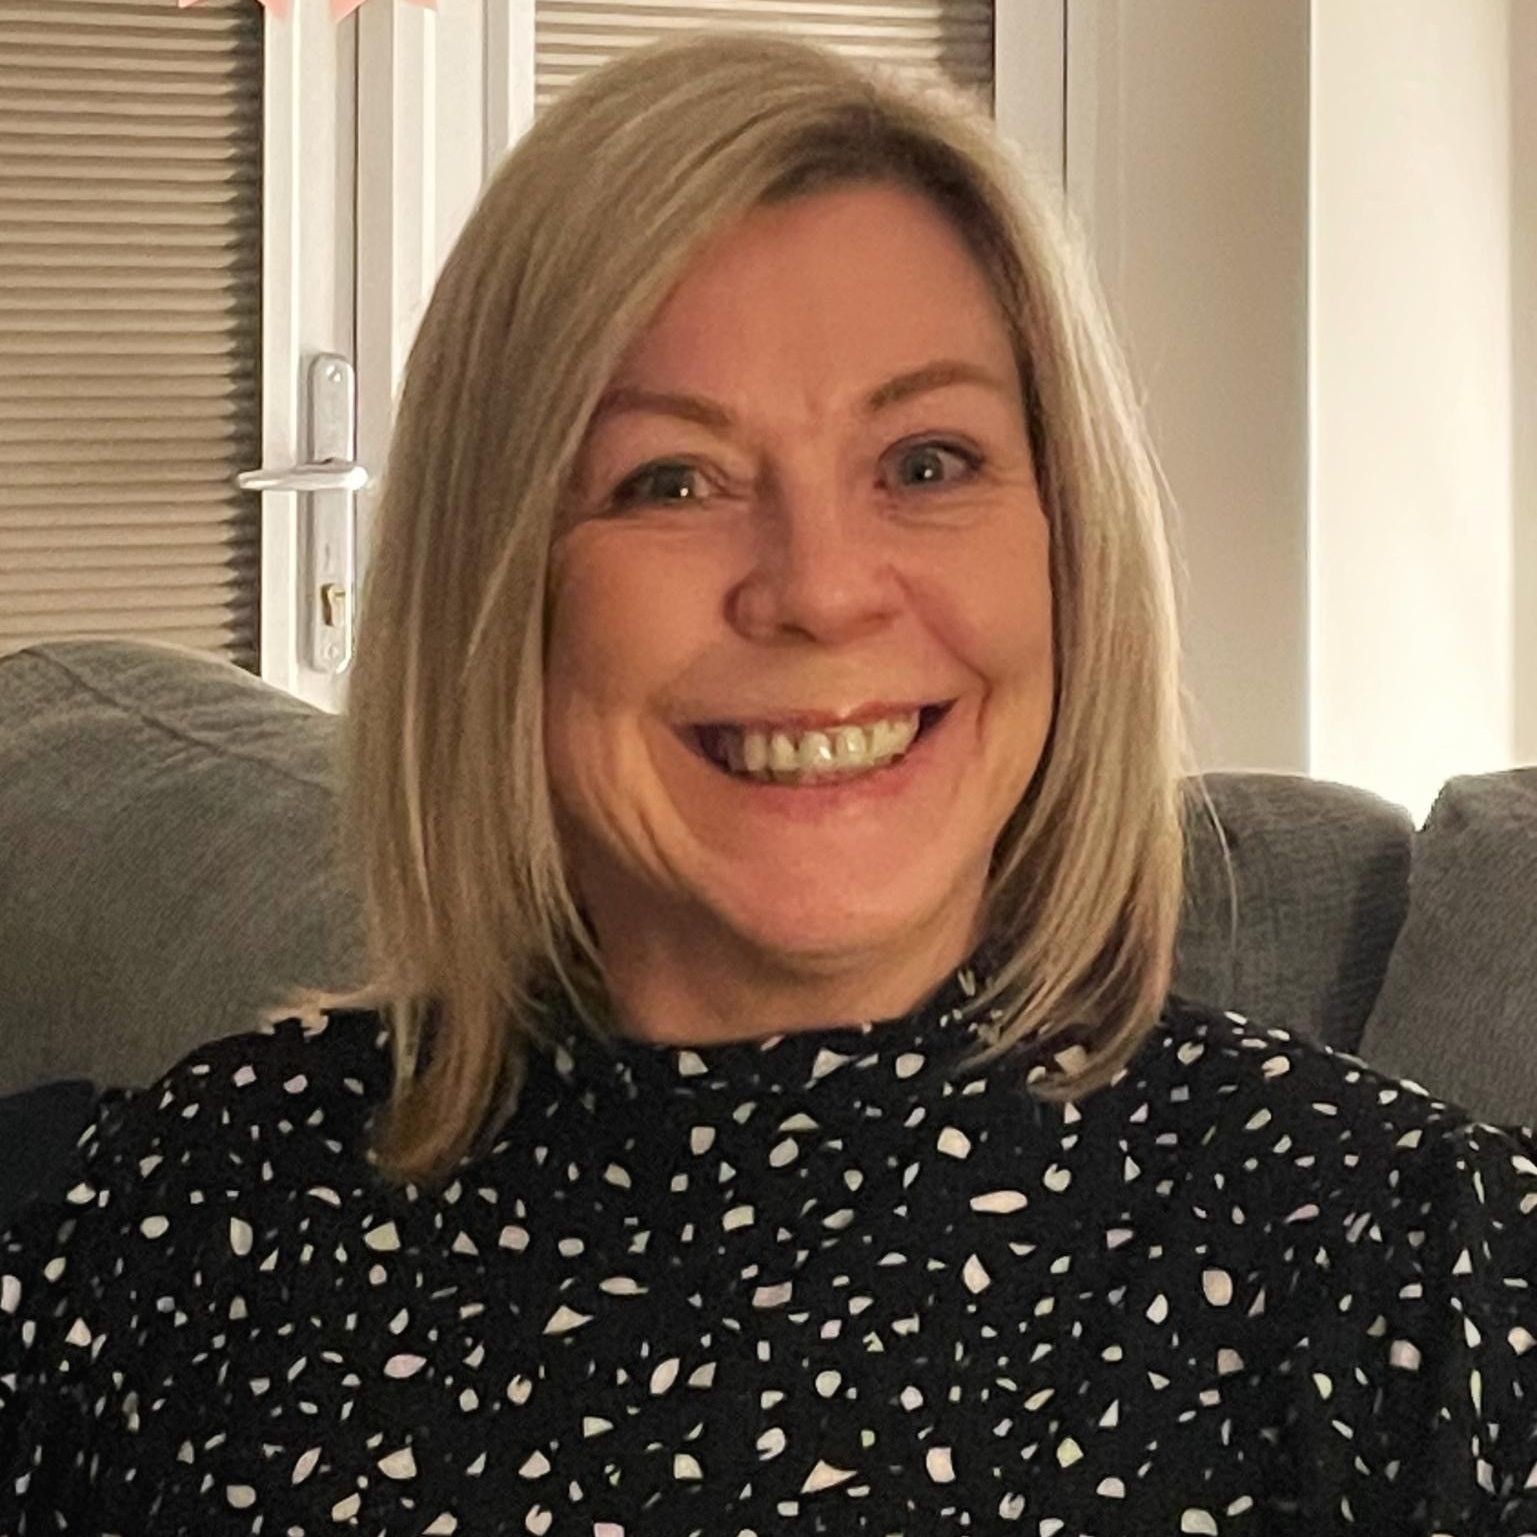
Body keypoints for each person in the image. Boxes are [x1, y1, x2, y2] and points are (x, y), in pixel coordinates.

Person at [2, 33, 1534, 1537]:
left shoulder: (1407, 1264)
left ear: (1073, 550)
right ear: (496, 587)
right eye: (671, 479)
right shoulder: (188, 1215)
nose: (817, 591)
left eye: (927, 462)